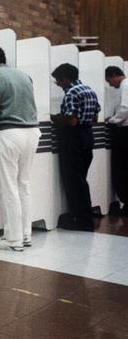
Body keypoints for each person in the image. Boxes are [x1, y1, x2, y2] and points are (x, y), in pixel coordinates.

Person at [0, 45, 41, 251]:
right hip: (32, 132)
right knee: (24, 185)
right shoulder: (24, 76)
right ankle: (26, 235)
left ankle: (13, 239)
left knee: (8, 187)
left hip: (8, 134)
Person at [50, 63, 100, 231]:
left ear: (65, 78)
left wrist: (55, 118)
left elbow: (71, 121)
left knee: (73, 181)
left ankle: (80, 220)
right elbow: (95, 118)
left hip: (73, 138)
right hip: (87, 137)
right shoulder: (89, 90)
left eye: (58, 80)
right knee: (81, 179)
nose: (57, 84)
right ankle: (85, 216)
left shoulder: (71, 93)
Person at [105, 66, 128, 216]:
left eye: (109, 81)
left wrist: (112, 120)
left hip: (124, 132)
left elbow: (125, 108)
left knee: (122, 168)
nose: (110, 85)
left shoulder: (125, 86)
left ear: (114, 75)